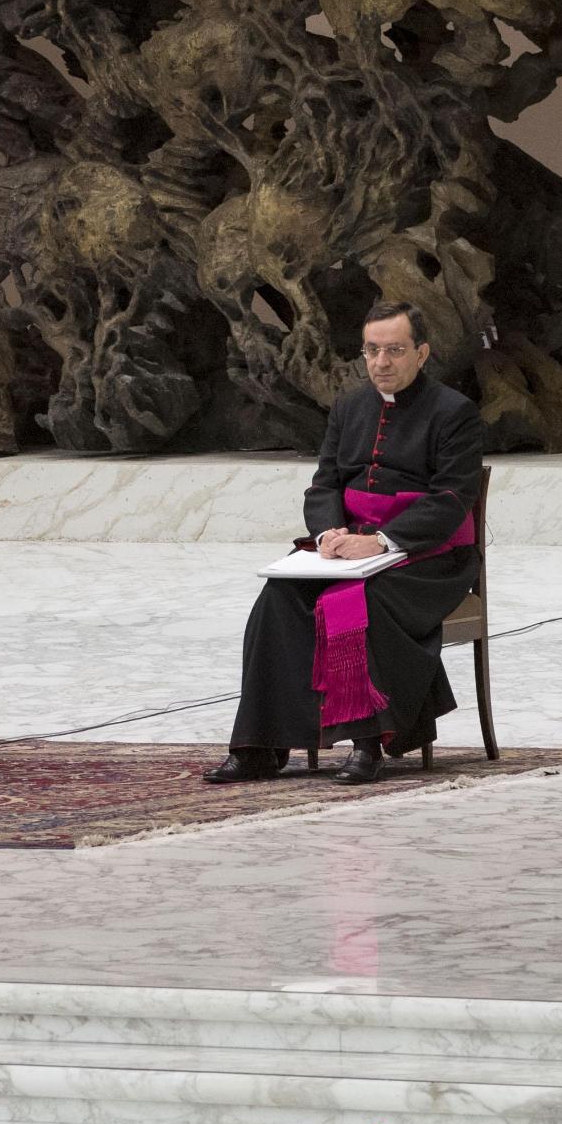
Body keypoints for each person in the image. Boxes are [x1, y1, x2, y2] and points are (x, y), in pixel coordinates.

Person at [212, 300, 482, 787]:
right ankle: (261, 746)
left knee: (361, 601)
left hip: (428, 557)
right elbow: (324, 485)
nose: (382, 362)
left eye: (395, 350)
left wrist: (382, 541)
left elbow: (451, 499)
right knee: (276, 600)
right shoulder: (349, 407)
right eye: (373, 351)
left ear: (421, 353)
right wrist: (328, 534)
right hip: (348, 549)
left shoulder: (454, 412)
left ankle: (369, 742)